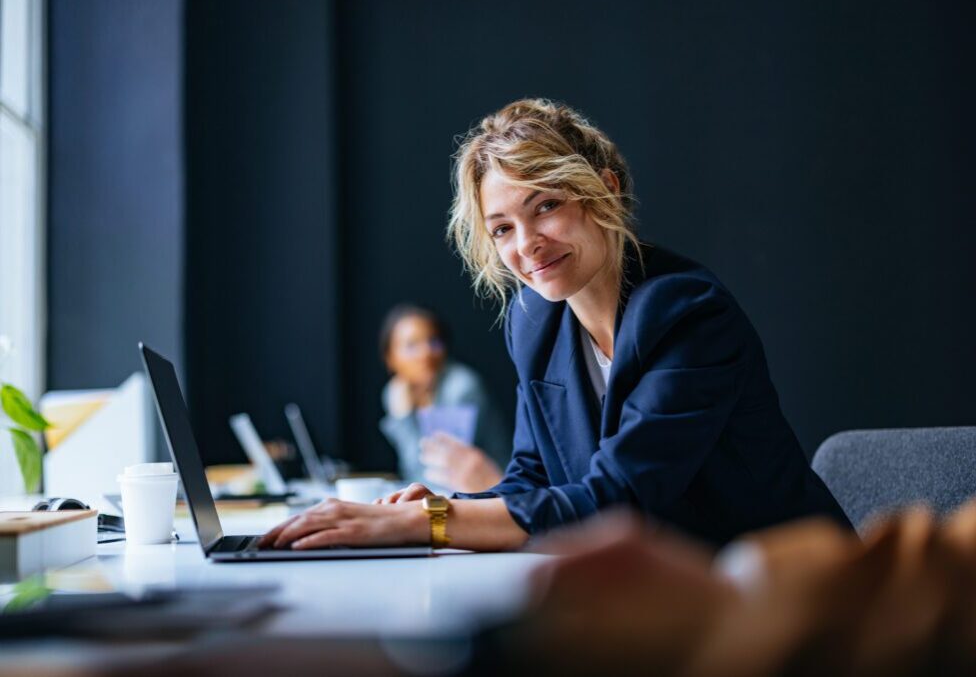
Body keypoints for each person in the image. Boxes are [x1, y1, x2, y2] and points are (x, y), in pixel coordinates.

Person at [261, 98, 851, 553]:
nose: (528, 246)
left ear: (604, 190)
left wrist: (427, 524)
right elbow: (530, 479)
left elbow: (619, 499)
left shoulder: (689, 314)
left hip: (791, 599)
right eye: (502, 228)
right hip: (660, 599)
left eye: (546, 205)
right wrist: (443, 503)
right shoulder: (535, 322)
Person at [377, 303, 510, 492]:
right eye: (411, 345)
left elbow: (438, 475)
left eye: (433, 342)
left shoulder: (461, 387)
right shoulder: (396, 392)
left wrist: (404, 419)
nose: (426, 353)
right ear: (390, 358)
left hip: (492, 493)